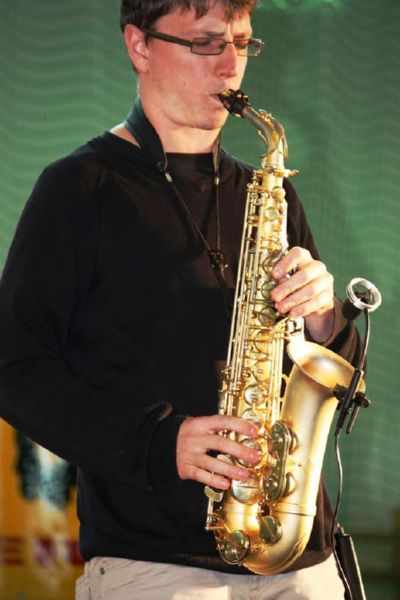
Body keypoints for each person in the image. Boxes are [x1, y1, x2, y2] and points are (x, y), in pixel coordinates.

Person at [0, 0, 361, 598]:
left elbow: (338, 379)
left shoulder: (267, 193)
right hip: (159, 564)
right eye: (206, 43)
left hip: (298, 555)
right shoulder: (80, 189)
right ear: (139, 45)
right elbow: (14, 369)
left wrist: (324, 320)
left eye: (242, 43)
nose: (231, 66)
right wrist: (159, 441)